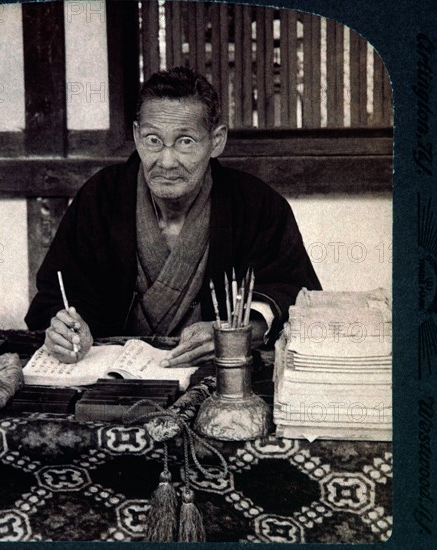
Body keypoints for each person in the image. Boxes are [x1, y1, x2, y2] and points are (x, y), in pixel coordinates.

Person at [26, 67, 321, 366]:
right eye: (153, 140)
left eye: (185, 142)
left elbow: (296, 295)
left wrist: (241, 332)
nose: (167, 162)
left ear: (216, 141)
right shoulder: (101, 198)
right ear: (136, 136)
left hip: (217, 380)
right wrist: (64, 330)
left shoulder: (257, 206)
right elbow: (56, 294)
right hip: (115, 383)